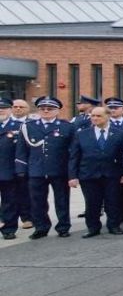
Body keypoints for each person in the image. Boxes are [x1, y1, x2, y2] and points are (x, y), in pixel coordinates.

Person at [67, 106, 123, 238]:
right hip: (89, 174)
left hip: (112, 175)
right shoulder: (82, 134)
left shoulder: (120, 134)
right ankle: (93, 228)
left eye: (99, 116)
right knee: (92, 203)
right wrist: (72, 176)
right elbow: (74, 156)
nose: (95, 118)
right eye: (93, 116)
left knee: (113, 202)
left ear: (107, 116)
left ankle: (114, 226)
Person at [15, 96, 75, 239]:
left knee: (62, 200)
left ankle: (63, 226)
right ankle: (41, 227)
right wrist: (21, 169)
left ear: (57, 111)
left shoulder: (67, 127)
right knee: (37, 201)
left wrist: (72, 173)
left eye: (50, 109)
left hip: (59, 170)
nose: (46, 111)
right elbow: (21, 150)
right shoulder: (29, 126)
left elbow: (72, 151)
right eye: (42, 109)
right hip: (36, 170)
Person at [0, 98, 24, 239]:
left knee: (10, 202)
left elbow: (21, 151)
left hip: (8, 170)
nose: (1, 110)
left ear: (10, 110)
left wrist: (20, 169)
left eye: (4, 108)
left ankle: (9, 229)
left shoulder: (19, 126)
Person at [9, 99, 33, 229]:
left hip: (26, 164)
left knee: (25, 192)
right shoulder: (5, 124)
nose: (18, 109)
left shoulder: (32, 124)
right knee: (8, 194)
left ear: (28, 109)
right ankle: (6, 218)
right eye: (15, 106)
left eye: (21, 107)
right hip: (7, 164)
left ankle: (27, 217)